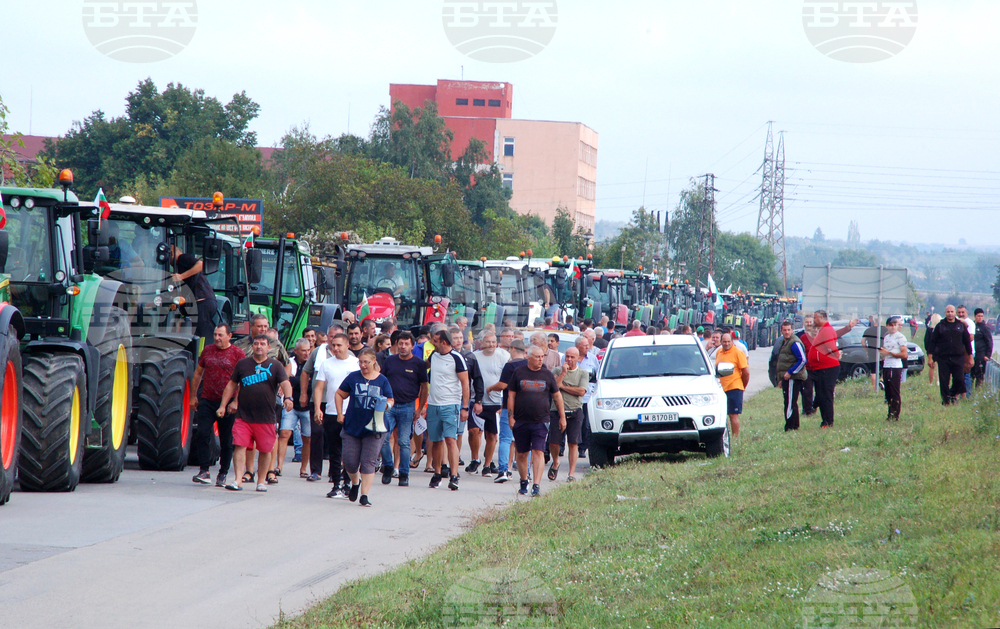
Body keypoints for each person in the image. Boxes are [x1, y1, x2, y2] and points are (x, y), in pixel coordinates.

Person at [217, 335, 292, 492]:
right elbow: (232, 385)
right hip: (243, 416)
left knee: (265, 450)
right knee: (239, 446)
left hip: (266, 418)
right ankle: (238, 480)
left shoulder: (275, 365)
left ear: (268, 347)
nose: (259, 346)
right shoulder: (243, 364)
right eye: (256, 344)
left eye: (262, 344)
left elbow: (285, 382)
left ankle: (261, 481)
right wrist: (223, 405)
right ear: (252, 346)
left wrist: (289, 398)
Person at [334, 348, 394, 507]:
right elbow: (339, 394)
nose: (363, 365)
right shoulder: (353, 377)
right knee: (349, 461)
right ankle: (355, 482)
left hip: (375, 427)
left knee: (368, 461)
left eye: (366, 362)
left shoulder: (382, 380)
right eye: (360, 362)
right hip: (353, 425)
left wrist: (386, 405)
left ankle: (364, 495)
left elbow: (391, 399)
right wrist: (340, 414)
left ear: (374, 361)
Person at [233, 314, 289, 484]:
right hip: (244, 397)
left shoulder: (275, 344)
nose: (263, 329)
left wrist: (283, 384)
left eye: (266, 326)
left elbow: (286, 363)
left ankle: (269, 471)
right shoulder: (240, 345)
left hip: (270, 397)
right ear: (251, 327)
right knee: (245, 440)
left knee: (269, 437)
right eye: (259, 326)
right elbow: (235, 375)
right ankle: (248, 471)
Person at [190, 323, 245, 486]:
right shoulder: (207, 350)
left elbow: (242, 379)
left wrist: (236, 401)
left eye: (221, 335)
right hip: (207, 399)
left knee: (226, 439)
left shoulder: (237, 353)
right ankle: (204, 470)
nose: (217, 338)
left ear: (229, 336)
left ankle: (223, 473)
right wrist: (193, 396)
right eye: (215, 335)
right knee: (202, 433)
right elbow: (198, 373)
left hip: (228, 403)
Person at [508, 346, 566, 497]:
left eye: (542, 356)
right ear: (529, 357)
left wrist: (562, 416)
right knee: (521, 453)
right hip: (521, 420)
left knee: (538, 451)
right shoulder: (519, 373)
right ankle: (523, 480)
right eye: (537, 357)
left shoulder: (547, 374)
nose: (541, 359)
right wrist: (510, 416)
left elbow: (557, 397)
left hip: (541, 420)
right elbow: (511, 396)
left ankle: (536, 485)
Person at [312, 333, 360, 498]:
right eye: (333, 345)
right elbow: (319, 388)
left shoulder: (356, 364)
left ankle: (349, 482)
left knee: (350, 451)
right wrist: (318, 408)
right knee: (334, 450)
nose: (336, 348)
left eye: (339, 345)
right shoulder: (326, 364)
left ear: (347, 346)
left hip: (352, 413)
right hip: (332, 411)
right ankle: (336, 484)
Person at [378, 331, 427, 487]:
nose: (403, 347)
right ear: (396, 344)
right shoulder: (390, 361)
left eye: (406, 344)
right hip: (389, 405)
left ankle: (404, 474)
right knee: (383, 438)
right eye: (400, 343)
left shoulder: (418, 364)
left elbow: (424, 387)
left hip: (408, 406)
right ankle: (388, 466)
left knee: (404, 442)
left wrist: (419, 409)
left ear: (412, 346)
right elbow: (381, 381)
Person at [426, 329, 469, 491]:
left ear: (444, 342)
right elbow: (424, 367)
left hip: (450, 405)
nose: (432, 342)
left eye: (435, 340)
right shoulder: (434, 356)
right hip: (433, 404)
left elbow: (465, 384)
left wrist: (465, 407)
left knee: (450, 439)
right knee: (435, 440)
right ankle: (437, 473)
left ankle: (454, 475)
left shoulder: (457, 358)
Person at [301, 323, 344, 482]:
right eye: (331, 337)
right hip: (318, 401)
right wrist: (304, 393)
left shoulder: (350, 357)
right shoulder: (319, 352)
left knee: (335, 437)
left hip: (338, 404)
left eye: (337, 338)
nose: (333, 341)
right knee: (317, 434)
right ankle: (315, 471)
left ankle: (335, 472)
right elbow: (306, 372)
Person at [547, 347, 588, 481]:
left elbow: (581, 391)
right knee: (554, 442)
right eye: (567, 356)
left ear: (578, 358)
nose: (569, 360)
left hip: (575, 411)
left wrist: (563, 387)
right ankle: (556, 461)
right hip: (556, 411)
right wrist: (563, 374)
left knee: (573, 443)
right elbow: (554, 387)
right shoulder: (557, 371)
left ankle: (571, 473)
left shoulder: (583, 373)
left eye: (572, 357)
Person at [488, 340, 526, 483]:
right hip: (526, 407)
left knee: (505, 439)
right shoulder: (528, 365)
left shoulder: (510, 365)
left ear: (513, 349)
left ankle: (503, 469)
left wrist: (491, 388)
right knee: (524, 441)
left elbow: (503, 384)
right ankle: (526, 472)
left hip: (509, 406)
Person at [473, 332, 510, 477]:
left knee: (492, 435)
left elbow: (506, 380)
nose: (491, 345)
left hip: (495, 401)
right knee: (474, 431)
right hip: (476, 400)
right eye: (488, 342)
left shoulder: (503, 356)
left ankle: (487, 465)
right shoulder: (474, 357)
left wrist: (503, 402)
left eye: (494, 342)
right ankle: (475, 458)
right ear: (481, 342)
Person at [277, 338, 312, 479]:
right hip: (291, 404)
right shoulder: (289, 363)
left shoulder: (313, 364)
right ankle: (279, 466)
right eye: (303, 350)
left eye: (308, 350)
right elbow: (285, 380)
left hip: (307, 406)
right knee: (284, 433)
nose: (307, 353)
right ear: (296, 351)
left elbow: (310, 384)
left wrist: (293, 380)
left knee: (307, 438)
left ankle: (303, 468)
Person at [803, 310, 843, 428]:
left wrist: (837, 355)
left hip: (828, 367)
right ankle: (824, 420)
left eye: (815, 318)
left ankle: (828, 421)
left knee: (826, 395)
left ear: (820, 318)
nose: (813, 321)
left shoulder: (826, 330)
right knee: (821, 394)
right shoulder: (824, 330)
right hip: (821, 367)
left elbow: (831, 346)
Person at [172, 245, 219, 345]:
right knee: (198, 333)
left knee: (201, 335)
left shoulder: (182, 258)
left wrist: (181, 276)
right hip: (202, 303)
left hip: (202, 302)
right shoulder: (179, 266)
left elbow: (200, 265)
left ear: (172, 253)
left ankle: (201, 356)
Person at [452, 327, 484, 474]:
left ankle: (455, 460)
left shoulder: (470, 356)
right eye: (455, 338)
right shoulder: (443, 355)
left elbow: (477, 379)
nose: (458, 341)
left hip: (464, 399)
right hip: (447, 397)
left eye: (460, 338)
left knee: (459, 432)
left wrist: (478, 400)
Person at [930, 305, 973, 405]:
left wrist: (970, 357)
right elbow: (933, 342)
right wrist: (930, 357)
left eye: (952, 311)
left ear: (954, 313)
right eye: (948, 312)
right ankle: (946, 401)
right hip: (943, 357)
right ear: (945, 313)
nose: (950, 313)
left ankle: (952, 394)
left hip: (958, 357)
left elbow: (967, 342)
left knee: (959, 379)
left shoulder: (960, 326)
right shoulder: (940, 326)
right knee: (944, 381)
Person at [715, 332, 750, 439]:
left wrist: (742, 385)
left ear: (732, 341)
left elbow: (746, 372)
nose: (726, 344)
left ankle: (735, 438)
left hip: (734, 388)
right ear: (721, 342)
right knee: (722, 415)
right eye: (724, 342)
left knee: (733, 415)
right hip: (722, 389)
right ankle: (726, 437)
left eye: (728, 341)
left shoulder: (738, 353)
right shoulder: (719, 352)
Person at [774, 321, 807, 432]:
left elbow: (802, 360)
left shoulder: (794, 343)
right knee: (790, 401)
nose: (787, 332)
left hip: (793, 378)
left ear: (792, 330)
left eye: (789, 330)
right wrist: (780, 379)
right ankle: (794, 425)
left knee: (789, 402)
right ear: (781, 331)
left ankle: (789, 426)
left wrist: (790, 372)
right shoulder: (785, 342)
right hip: (787, 378)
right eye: (784, 330)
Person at [880, 316, 908, 421]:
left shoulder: (900, 337)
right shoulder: (887, 337)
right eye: (890, 325)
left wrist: (890, 353)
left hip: (895, 366)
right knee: (888, 392)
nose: (892, 327)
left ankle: (895, 415)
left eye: (894, 325)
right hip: (887, 365)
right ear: (887, 326)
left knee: (894, 391)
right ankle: (890, 413)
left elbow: (904, 354)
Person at [957, 305, 976, 398]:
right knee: (958, 374)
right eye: (959, 312)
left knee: (966, 374)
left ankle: (967, 395)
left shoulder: (970, 323)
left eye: (962, 312)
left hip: (968, 353)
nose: (961, 314)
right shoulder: (956, 322)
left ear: (966, 313)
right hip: (958, 352)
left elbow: (971, 338)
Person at [972, 308, 993, 388]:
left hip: (981, 354)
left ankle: (978, 390)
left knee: (979, 374)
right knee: (971, 373)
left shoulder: (985, 328)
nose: (980, 318)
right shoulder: (972, 326)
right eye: (978, 316)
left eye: (981, 316)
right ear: (975, 316)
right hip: (973, 352)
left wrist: (988, 355)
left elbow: (989, 342)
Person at [925, 313, 941, 386]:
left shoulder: (929, 330)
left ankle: (931, 382)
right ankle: (938, 381)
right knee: (940, 366)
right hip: (940, 350)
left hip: (931, 350)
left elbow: (926, 340)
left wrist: (927, 350)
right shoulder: (941, 329)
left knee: (931, 366)